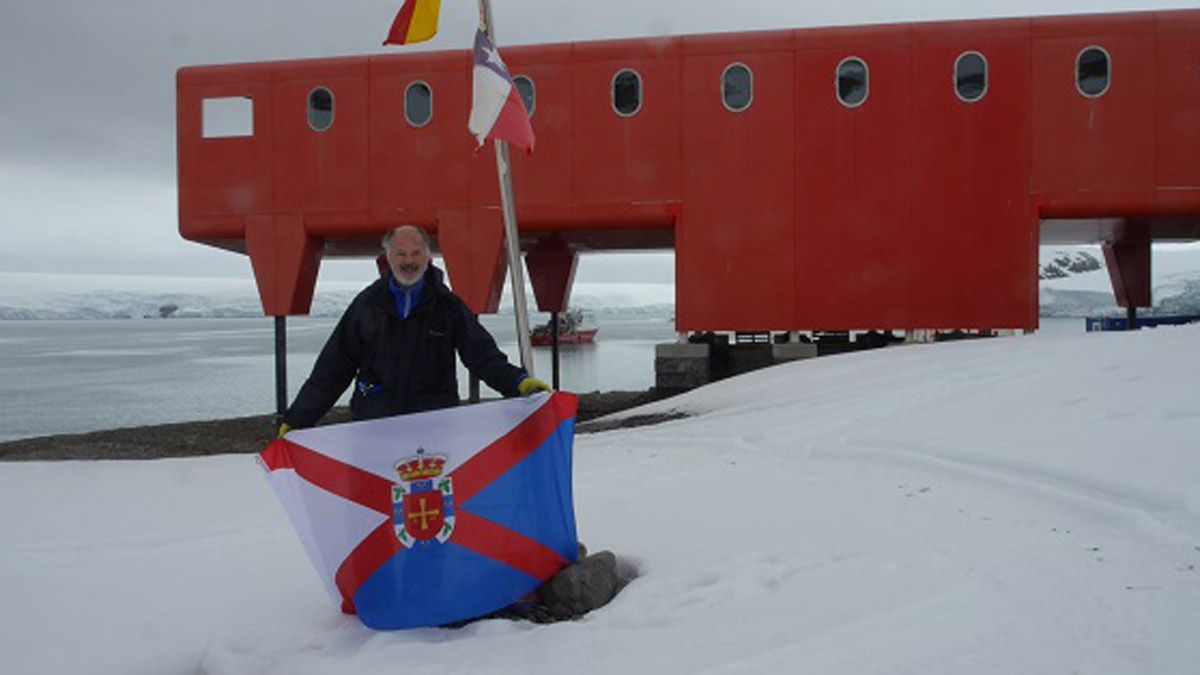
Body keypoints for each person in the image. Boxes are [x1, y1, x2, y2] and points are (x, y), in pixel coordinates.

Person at [279, 225, 549, 432]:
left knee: (432, 503)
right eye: (401, 253)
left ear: (428, 256)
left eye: (416, 253)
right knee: (375, 504)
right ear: (388, 256)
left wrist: (519, 383)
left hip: (434, 426)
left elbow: (482, 356)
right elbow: (333, 369)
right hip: (375, 426)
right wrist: (297, 420)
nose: (409, 261)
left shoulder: (447, 306)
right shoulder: (367, 305)